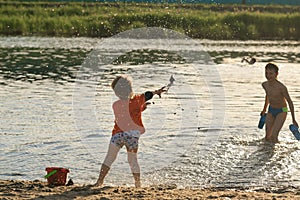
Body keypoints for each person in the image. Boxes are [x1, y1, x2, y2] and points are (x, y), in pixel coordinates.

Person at [95, 75, 166, 188]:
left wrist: (141, 107)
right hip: (132, 136)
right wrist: (156, 92)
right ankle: (137, 184)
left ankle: (99, 181)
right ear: (130, 89)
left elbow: (127, 110)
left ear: (116, 92)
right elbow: (147, 95)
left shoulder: (115, 105)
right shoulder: (137, 100)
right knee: (132, 161)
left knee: (109, 158)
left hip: (117, 135)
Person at [260, 63, 298, 143]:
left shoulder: (281, 87)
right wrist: (264, 109)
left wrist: (293, 119)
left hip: (282, 110)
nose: (268, 75)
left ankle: (278, 152)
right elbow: (268, 96)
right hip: (271, 110)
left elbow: (290, 102)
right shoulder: (265, 85)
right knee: (267, 137)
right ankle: (266, 152)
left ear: (276, 74)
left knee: (274, 136)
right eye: (266, 73)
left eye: (271, 73)